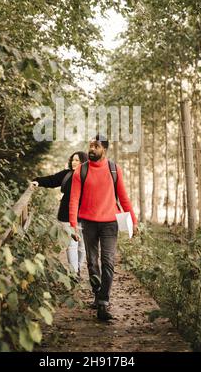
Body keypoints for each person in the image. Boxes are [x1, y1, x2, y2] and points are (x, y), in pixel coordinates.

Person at [69, 134, 138, 321]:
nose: (91, 149)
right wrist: (73, 225)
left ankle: (103, 302)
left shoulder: (115, 170)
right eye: (90, 145)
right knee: (92, 262)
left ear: (104, 149)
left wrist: (134, 220)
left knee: (108, 262)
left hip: (110, 223)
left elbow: (123, 198)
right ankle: (97, 293)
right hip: (88, 223)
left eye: (96, 146)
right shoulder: (80, 171)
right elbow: (74, 199)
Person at [30, 151, 88, 277]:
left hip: (85, 216)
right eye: (73, 159)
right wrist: (37, 181)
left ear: (84, 162)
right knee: (72, 245)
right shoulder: (66, 175)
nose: (74, 162)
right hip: (67, 215)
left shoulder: (89, 176)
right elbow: (52, 180)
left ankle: (78, 268)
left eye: (77, 160)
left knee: (82, 246)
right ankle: (74, 273)